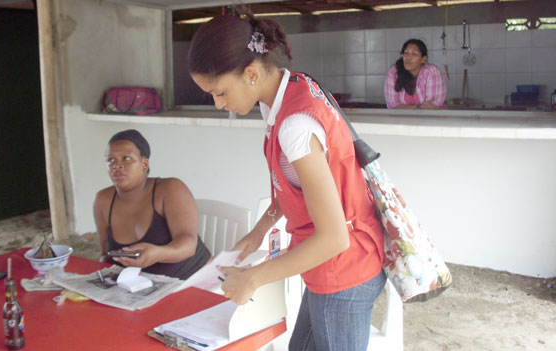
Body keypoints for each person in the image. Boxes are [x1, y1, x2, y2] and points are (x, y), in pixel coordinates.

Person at [188, 13, 386, 351]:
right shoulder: (291, 88)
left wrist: (252, 279)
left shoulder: (295, 125)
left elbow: (334, 238)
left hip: (344, 269)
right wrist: (256, 234)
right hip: (335, 264)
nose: (220, 104)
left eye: (220, 92)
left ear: (251, 74)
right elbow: (294, 189)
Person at [93, 129, 210, 280]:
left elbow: (188, 245)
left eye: (126, 159)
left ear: (144, 164)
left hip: (194, 280)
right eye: (111, 160)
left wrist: (158, 254)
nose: (117, 165)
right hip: (140, 288)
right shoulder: (103, 201)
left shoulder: (169, 189)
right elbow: (106, 256)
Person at [384, 38, 446, 109]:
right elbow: (392, 106)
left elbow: (432, 107)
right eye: (406, 53)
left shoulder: (432, 72)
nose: (408, 57)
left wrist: (408, 108)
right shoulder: (394, 73)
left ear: (423, 59)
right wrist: (418, 107)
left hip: (432, 119)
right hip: (402, 119)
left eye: (414, 54)